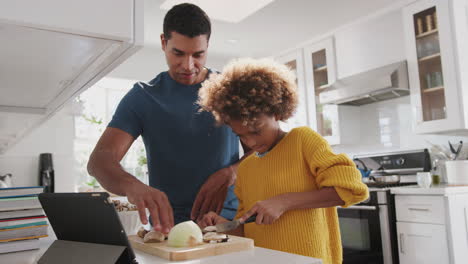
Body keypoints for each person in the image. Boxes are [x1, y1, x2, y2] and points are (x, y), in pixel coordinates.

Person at [87, 3, 249, 234]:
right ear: (164, 43)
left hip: (228, 223)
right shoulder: (142, 97)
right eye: (178, 53)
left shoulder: (231, 91)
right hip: (169, 230)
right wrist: (133, 186)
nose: (188, 65)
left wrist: (231, 173)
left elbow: (261, 151)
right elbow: (99, 161)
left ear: (207, 46)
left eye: (198, 54)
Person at [197, 58, 369, 263]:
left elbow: (353, 189)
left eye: (256, 131)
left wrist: (284, 202)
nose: (250, 142)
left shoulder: (303, 141)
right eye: (240, 135)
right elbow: (249, 229)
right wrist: (224, 224)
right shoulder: (246, 168)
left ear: (276, 112)